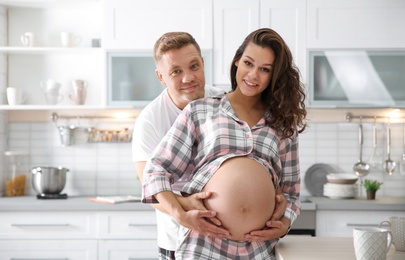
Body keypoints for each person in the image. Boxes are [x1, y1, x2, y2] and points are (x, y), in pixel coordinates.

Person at [142, 28, 307, 259]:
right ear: (237, 61)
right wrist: (180, 214)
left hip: (258, 249)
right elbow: (155, 171)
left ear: (274, 75)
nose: (253, 75)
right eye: (248, 63)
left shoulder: (282, 124)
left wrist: (285, 223)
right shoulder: (201, 110)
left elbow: (291, 193)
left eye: (265, 69)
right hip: (204, 245)